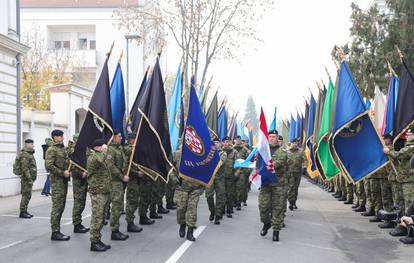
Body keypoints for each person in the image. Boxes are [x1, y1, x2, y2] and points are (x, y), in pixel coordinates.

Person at [259, 129, 288, 242]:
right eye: (270, 136)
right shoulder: (263, 151)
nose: (271, 138)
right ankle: (266, 223)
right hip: (265, 184)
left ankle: (276, 231)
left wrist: (267, 166)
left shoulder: (283, 151)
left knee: (278, 208)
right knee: (263, 207)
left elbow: (277, 163)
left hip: (278, 184)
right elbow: (258, 166)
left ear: (277, 138)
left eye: (274, 136)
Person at [384, 128, 414, 237]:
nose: (407, 135)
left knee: (409, 204)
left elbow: (400, 155)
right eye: (407, 134)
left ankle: (409, 229)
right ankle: (401, 224)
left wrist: (389, 151)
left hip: (410, 180)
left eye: (410, 134)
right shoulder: (407, 146)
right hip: (404, 179)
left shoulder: (411, 147)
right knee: (400, 203)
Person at [45, 129, 71, 241]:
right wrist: (62, 172)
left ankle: (57, 230)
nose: (63, 138)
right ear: (55, 137)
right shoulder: (51, 150)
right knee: (57, 207)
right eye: (61, 136)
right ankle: (55, 232)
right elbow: (49, 166)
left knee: (61, 207)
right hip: (57, 183)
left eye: (62, 136)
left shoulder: (63, 149)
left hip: (63, 182)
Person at [87, 139, 112, 252]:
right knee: (97, 217)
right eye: (102, 146)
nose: (104, 148)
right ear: (97, 147)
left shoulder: (99, 155)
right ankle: (94, 242)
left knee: (102, 217)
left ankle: (98, 239)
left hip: (104, 190)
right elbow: (101, 159)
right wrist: (105, 150)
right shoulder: (94, 156)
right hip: (97, 191)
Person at [107, 129, 129, 241]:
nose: (121, 138)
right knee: (116, 207)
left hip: (119, 182)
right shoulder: (110, 150)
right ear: (114, 137)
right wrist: (122, 176)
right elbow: (111, 166)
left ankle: (116, 229)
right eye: (119, 136)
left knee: (118, 206)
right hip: (114, 182)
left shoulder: (119, 149)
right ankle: (114, 231)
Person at [68, 133, 89, 234]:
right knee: (78, 203)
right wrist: (81, 174)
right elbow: (71, 168)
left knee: (82, 202)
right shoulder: (72, 152)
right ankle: (76, 224)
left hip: (84, 180)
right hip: (78, 180)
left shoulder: (81, 151)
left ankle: (79, 223)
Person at [124, 132, 143, 233]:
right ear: (131, 139)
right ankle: (129, 223)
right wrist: (136, 173)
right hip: (132, 179)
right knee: (131, 201)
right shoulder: (128, 150)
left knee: (135, 201)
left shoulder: (134, 149)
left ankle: (131, 222)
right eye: (135, 138)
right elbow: (126, 167)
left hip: (136, 180)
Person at [205, 137, 227, 224]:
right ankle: (212, 211)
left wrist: (209, 161)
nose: (215, 144)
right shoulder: (208, 153)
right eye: (214, 142)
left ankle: (218, 215)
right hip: (210, 178)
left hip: (219, 179)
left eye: (217, 142)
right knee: (208, 196)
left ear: (220, 144)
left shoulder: (223, 153)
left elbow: (221, 162)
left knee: (220, 197)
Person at [17, 139, 37, 218]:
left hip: (29, 179)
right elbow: (25, 168)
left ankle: (25, 210)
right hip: (26, 179)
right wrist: (29, 179)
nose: (33, 146)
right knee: (26, 195)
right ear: (27, 145)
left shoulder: (29, 154)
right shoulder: (25, 155)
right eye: (31, 144)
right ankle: (22, 212)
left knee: (28, 195)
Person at [221, 136, 240, 218]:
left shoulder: (234, 152)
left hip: (230, 176)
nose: (226, 143)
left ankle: (229, 210)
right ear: (222, 143)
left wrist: (236, 174)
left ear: (230, 142)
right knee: (221, 194)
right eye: (224, 142)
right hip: (220, 177)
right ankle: (221, 210)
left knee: (230, 194)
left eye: (227, 141)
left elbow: (238, 164)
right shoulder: (219, 151)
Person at [233, 135, 250, 210]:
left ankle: (238, 202)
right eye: (236, 139)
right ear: (234, 140)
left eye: (239, 139)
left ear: (240, 140)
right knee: (233, 188)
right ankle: (234, 201)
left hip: (242, 172)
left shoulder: (245, 149)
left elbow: (248, 161)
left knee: (240, 188)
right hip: (233, 171)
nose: (237, 141)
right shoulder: (232, 149)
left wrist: (247, 172)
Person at [287, 138, 304, 211]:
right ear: (290, 143)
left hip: (298, 172)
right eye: (293, 143)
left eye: (296, 143)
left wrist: (303, 167)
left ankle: (294, 202)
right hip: (289, 173)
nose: (295, 144)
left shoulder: (301, 151)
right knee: (291, 187)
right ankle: (291, 202)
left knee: (295, 188)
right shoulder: (287, 152)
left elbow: (305, 160)